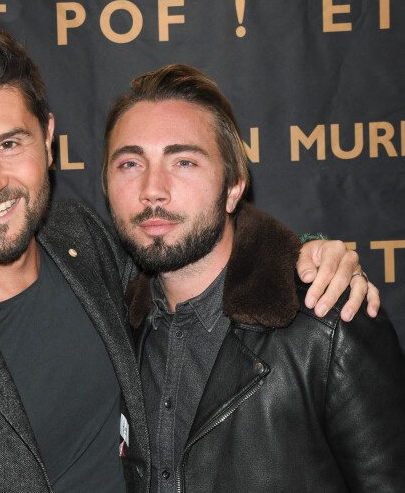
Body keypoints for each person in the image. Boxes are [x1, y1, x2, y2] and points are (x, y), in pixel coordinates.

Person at [0, 23, 375, 492]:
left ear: (47, 139)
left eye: (9, 144)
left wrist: (305, 255)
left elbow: (187, 225)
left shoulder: (83, 239)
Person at [101, 63, 405, 492]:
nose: (153, 189)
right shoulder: (107, 328)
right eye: (130, 163)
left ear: (233, 187)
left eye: (183, 161)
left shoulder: (327, 324)